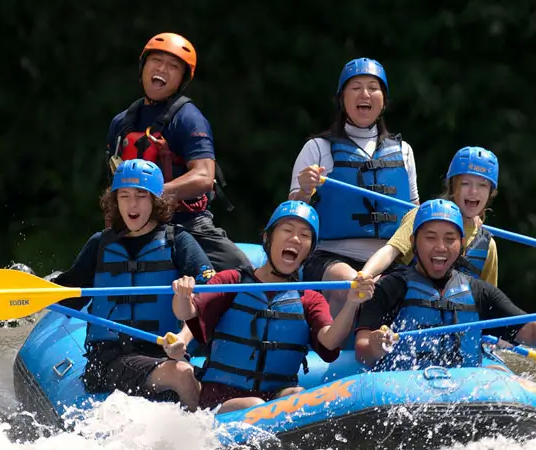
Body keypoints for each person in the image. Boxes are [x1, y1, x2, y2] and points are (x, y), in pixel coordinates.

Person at [172, 200, 375, 413]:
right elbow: (186, 312)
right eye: (287, 230)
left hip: (274, 398)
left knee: (297, 396)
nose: (295, 239)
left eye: (305, 236)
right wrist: (183, 296)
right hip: (220, 399)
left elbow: (330, 339)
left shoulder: (309, 298)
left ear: (309, 251)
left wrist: (352, 303)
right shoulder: (232, 281)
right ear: (267, 238)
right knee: (255, 406)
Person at [54, 159, 214, 408]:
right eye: (124, 196)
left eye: (141, 195)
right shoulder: (100, 244)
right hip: (109, 360)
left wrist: (183, 337)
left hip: (163, 353)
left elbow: (208, 300)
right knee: (182, 374)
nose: (132, 204)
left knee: (194, 377)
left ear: (155, 200)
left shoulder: (178, 241)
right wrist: (40, 294)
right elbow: (68, 296)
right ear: (115, 201)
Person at [354, 199, 536, 371]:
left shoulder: (479, 292)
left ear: (461, 244)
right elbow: (362, 351)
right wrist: (376, 346)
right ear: (414, 242)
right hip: (403, 387)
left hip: (463, 390)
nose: (440, 247)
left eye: (450, 239)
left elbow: (532, 333)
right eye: (430, 237)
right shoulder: (391, 287)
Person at [105, 32, 250, 272]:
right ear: (143, 67)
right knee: (94, 257)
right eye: (156, 61)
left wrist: (149, 195)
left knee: (241, 268)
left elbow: (204, 176)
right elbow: (112, 189)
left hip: (187, 223)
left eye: (173, 66)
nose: (162, 69)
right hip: (130, 224)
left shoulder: (188, 118)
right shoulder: (121, 123)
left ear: (182, 79)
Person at [288, 57, 419, 317]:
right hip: (331, 256)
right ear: (342, 99)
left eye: (373, 87)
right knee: (351, 286)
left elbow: (413, 213)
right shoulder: (317, 148)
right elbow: (292, 213)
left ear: (383, 100)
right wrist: (304, 191)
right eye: (356, 87)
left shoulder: (404, 151)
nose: (365, 94)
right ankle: (334, 352)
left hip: (390, 259)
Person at [360, 146, 500, 286]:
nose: (473, 191)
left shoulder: (488, 246)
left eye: (482, 185)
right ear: (452, 186)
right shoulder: (421, 216)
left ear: (490, 193)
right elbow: (390, 251)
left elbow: (488, 298)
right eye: (465, 183)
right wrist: (365, 275)